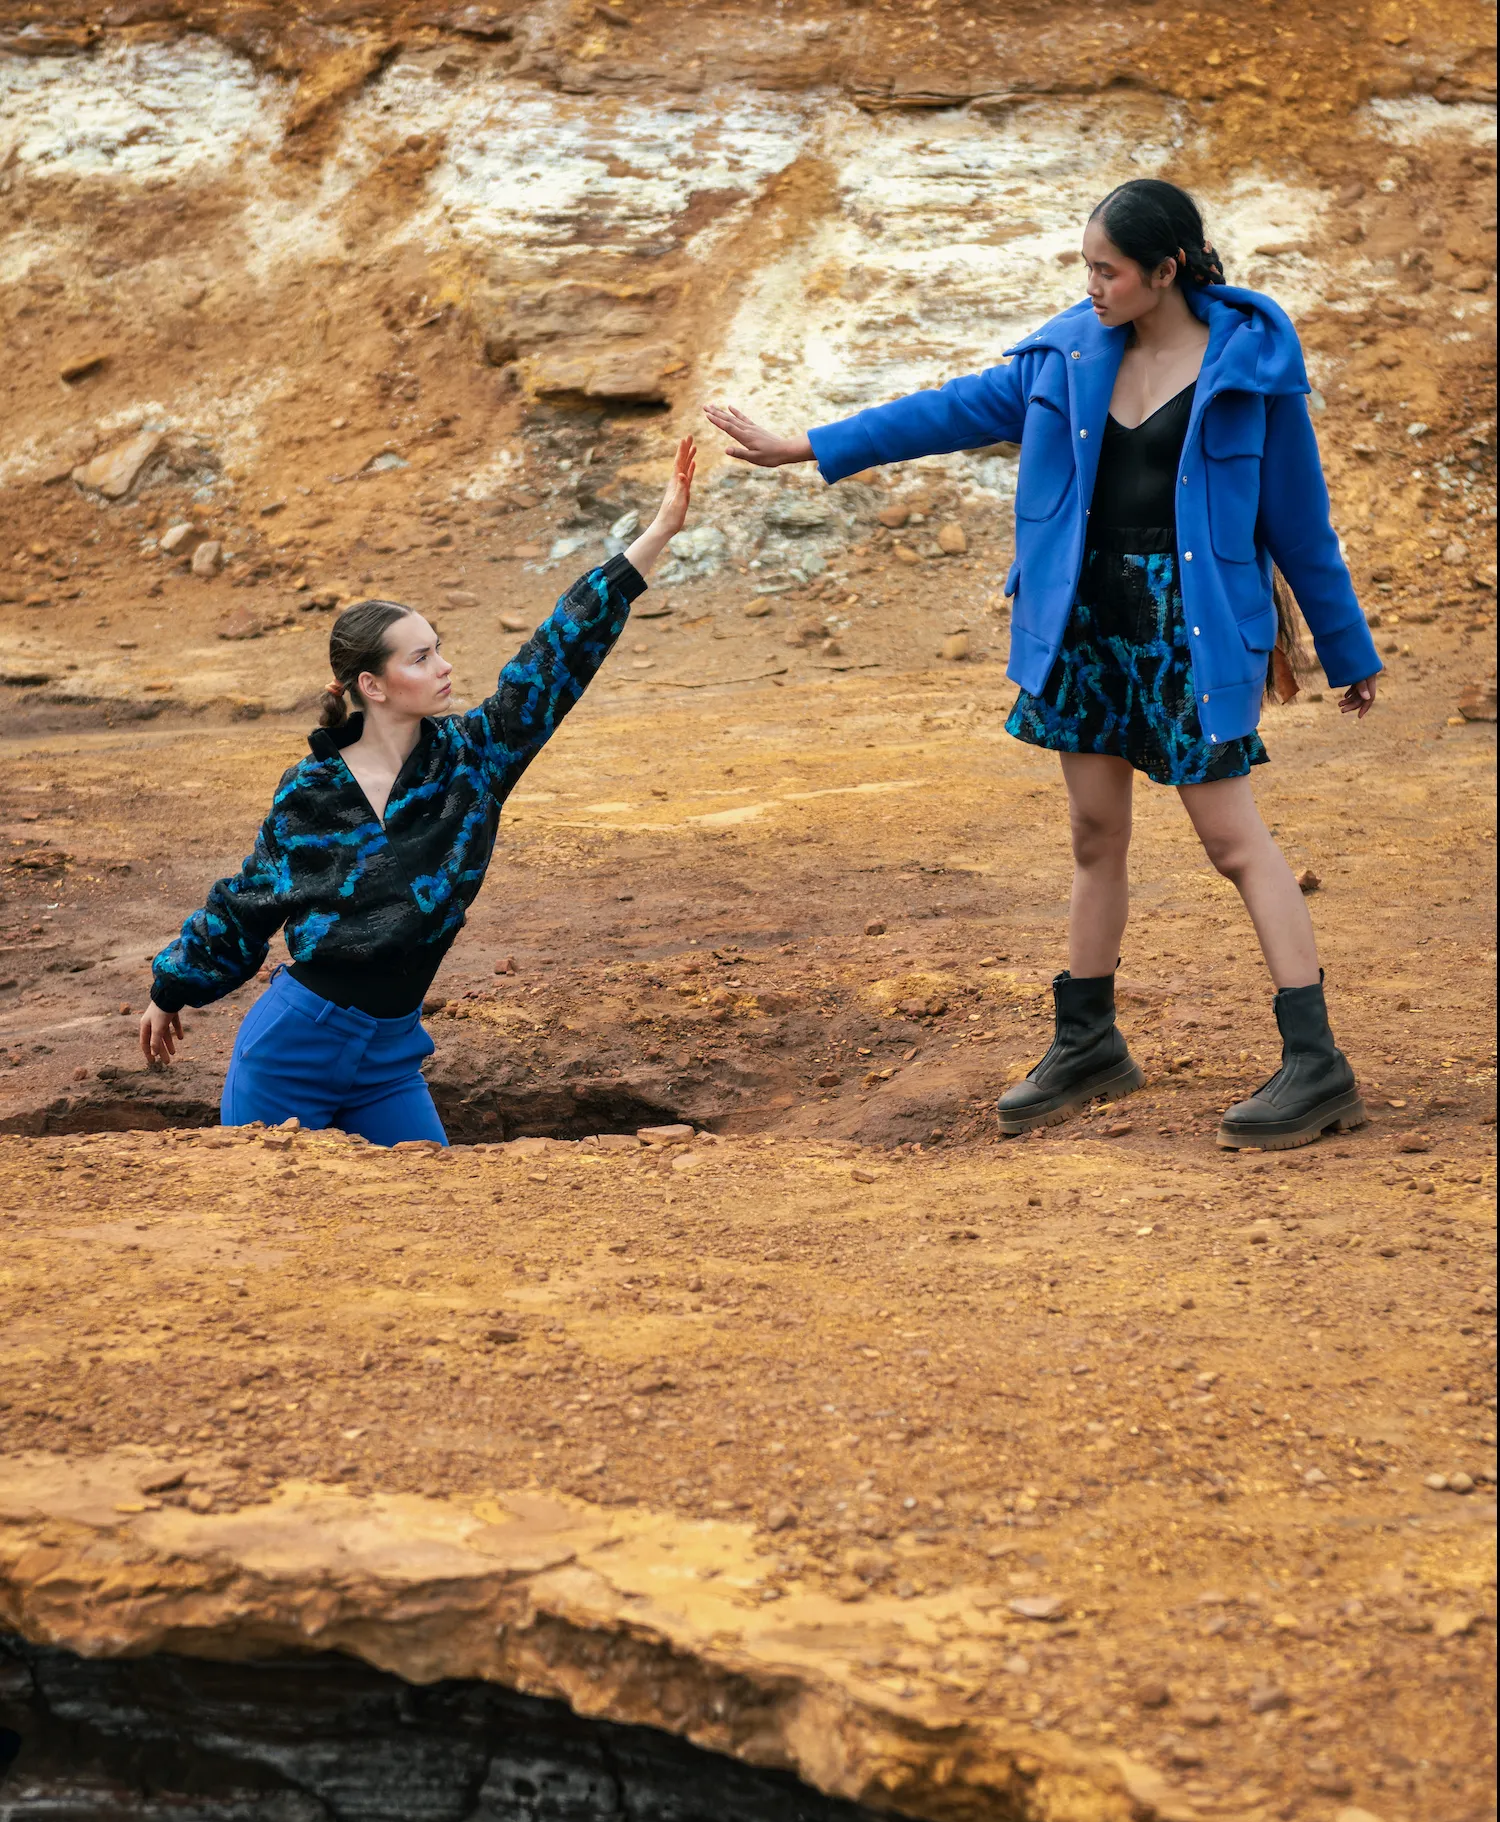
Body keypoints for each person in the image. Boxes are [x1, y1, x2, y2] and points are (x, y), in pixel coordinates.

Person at [705, 181, 1380, 1152]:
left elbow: (1300, 522)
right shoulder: (1068, 355)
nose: (1093, 286)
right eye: (1087, 268)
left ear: (1166, 270)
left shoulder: (1252, 369)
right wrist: (806, 445)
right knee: (1094, 833)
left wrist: (1346, 648)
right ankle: (1088, 1041)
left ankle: (1316, 1063)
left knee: (1234, 842)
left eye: (1108, 270)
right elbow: (949, 410)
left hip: (1189, 636)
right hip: (1084, 628)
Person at [140, 440, 697, 1145]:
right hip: (292, 1052)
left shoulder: (475, 755)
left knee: (429, 1224)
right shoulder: (312, 794)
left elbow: (558, 653)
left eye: (440, 647)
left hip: (388, 1059)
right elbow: (248, 902)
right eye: (421, 656)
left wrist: (658, 534)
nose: (444, 666)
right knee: (267, 1236)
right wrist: (171, 986)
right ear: (372, 685)